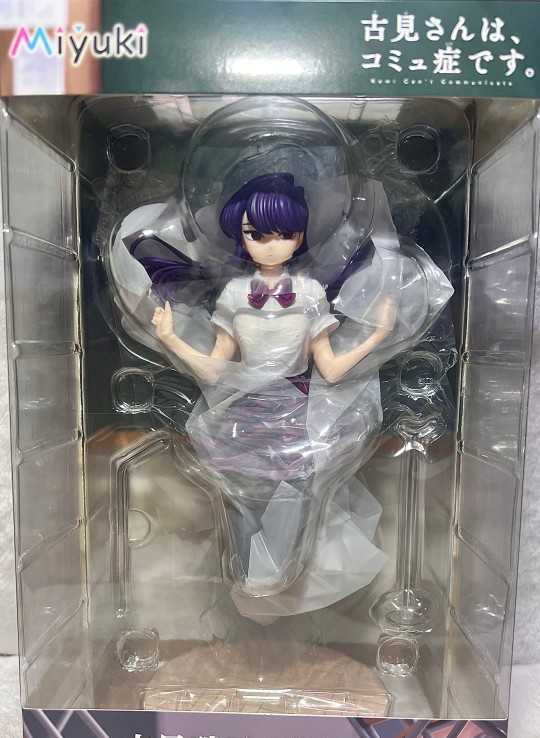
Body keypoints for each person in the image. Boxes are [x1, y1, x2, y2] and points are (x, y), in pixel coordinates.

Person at [112, 173, 452, 622]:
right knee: (241, 496)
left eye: (284, 234)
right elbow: (214, 369)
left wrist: (377, 336)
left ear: (299, 237)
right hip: (239, 414)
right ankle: (252, 578)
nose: (271, 245)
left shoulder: (310, 295)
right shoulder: (234, 294)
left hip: (293, 412)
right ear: (241, 237)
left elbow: (331, 369)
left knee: (294, 492)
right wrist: (170, 338)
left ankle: (273, 576)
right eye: (256, 234)